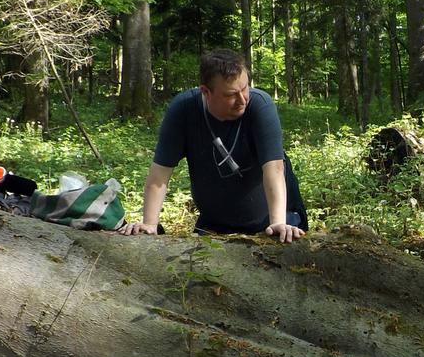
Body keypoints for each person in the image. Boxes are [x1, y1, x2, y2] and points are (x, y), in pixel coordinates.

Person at [120, 49, 306, 242]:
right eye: (231, 94)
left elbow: (274, 168)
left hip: (270, 220)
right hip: (213, 226)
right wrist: (149, 224)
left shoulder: (261, 105)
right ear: (206, 92)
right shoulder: (184, 110)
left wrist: (277, 223)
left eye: (245, 88)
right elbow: (159, 175)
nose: (242, 100)